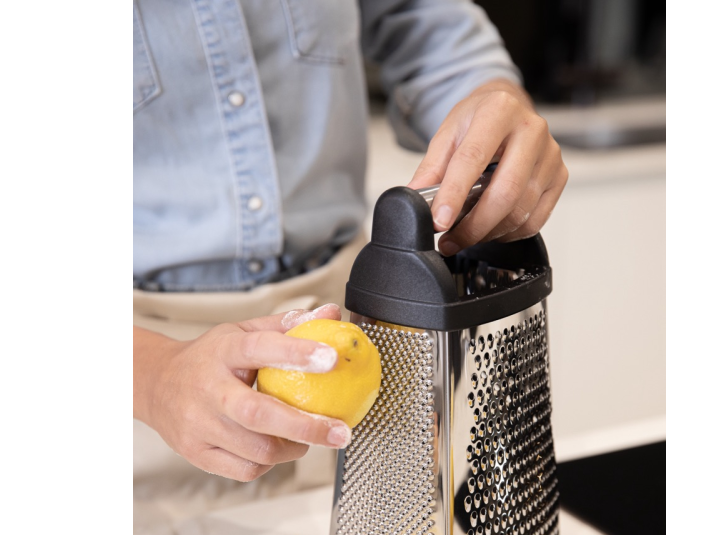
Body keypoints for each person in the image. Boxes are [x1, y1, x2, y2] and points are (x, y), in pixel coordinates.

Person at [133, 0, 568, 493]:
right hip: (146, 383)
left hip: (363, 341)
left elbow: (425, 26)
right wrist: (153, 376)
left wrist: (492, 104)